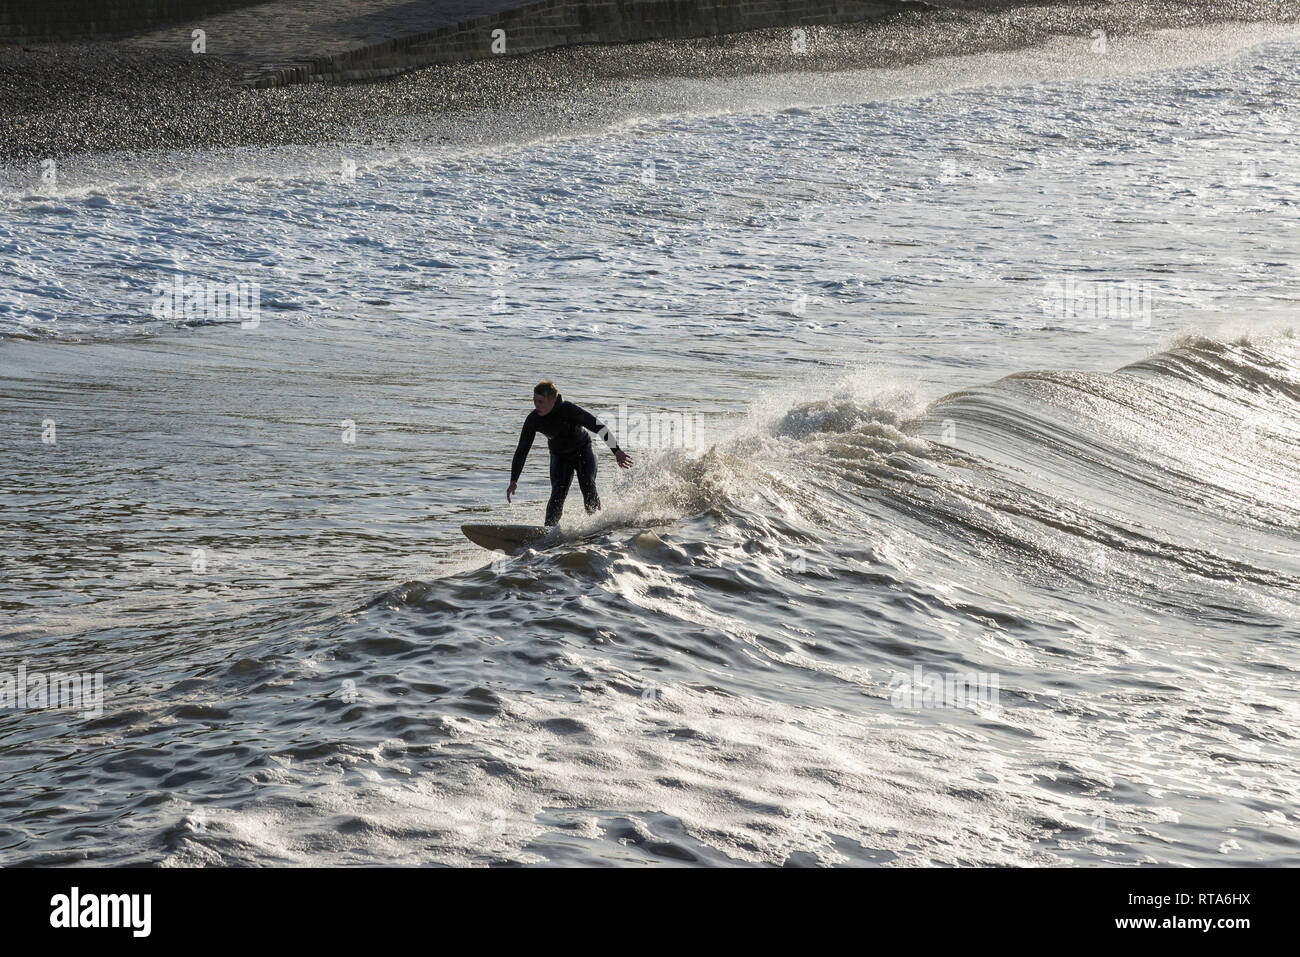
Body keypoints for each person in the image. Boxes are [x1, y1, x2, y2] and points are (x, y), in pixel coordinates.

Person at [507, 381, 632, 526]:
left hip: (583, 451)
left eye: (541, 401)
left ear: (553, 400)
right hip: (559, 456)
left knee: (587, 484)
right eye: (534, 400)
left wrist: (616, 451)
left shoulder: (569, 410)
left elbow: (598, 426)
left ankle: (598, 524)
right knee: (558, 492)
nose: (536, 405)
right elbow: (522, 450)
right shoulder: (533, 420)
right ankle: (549, 531)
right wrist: (514, 480)